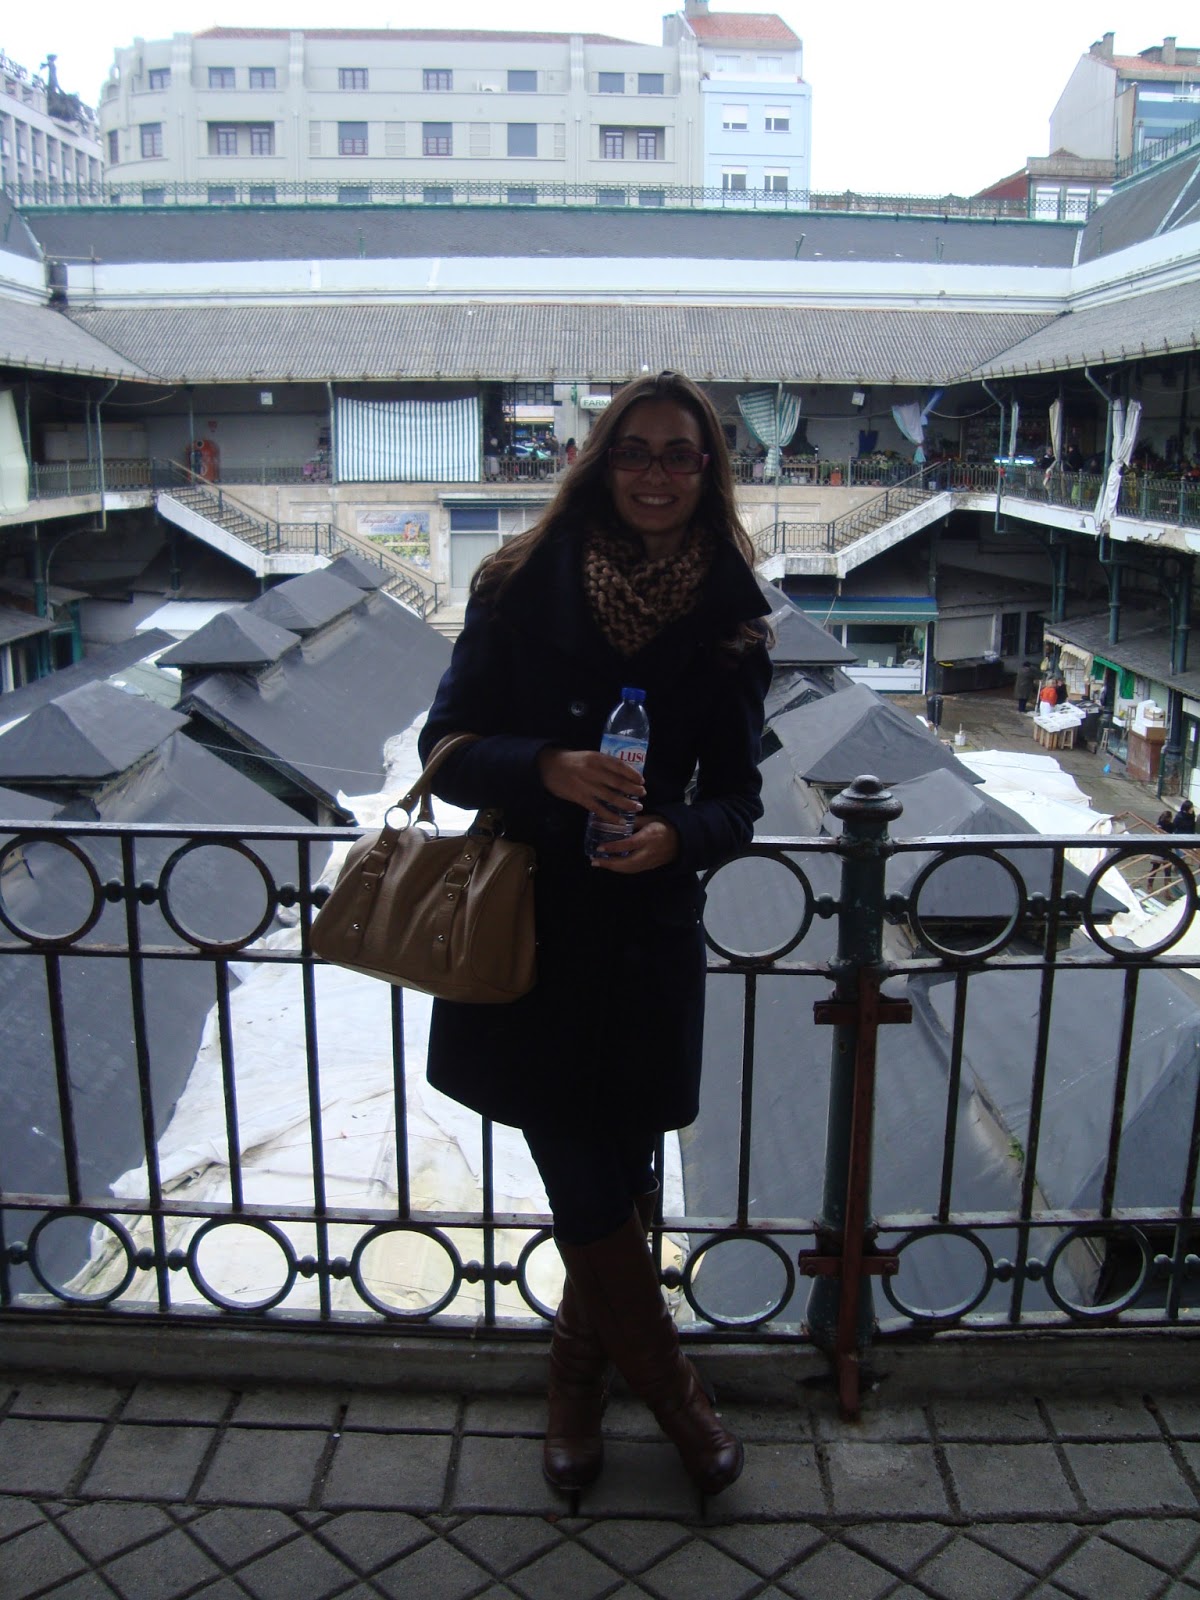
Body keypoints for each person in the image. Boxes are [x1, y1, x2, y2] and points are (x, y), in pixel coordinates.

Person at [418, 371, 770, 1497]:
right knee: (583, 1167)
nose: (656, 474)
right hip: (528, 931)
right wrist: (549, 767)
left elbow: (740, 802)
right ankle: (673, 1397)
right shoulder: (518, 586)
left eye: (680, 454)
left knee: (622, 1173)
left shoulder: (733, 621)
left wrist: (676, 836)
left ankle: (574, 1382)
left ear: (707, 471)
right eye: (635, 451)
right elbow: (444, 749)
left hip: (648, 939)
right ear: (599, 460)